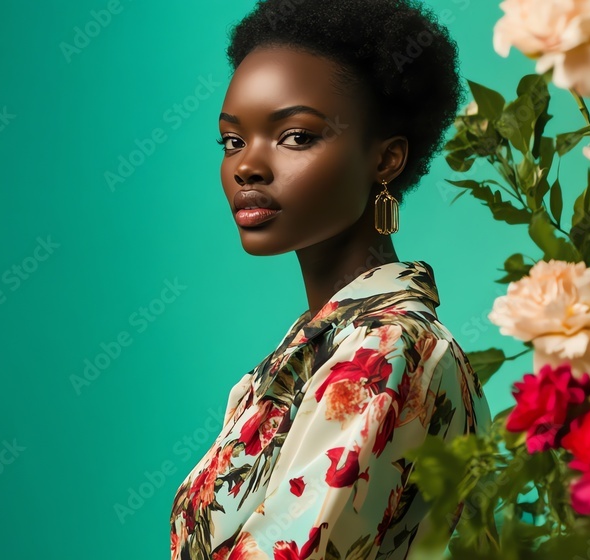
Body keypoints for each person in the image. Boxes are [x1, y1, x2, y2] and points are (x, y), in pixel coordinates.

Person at [169, 0, 492, 558]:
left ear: (386, 159)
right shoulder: (313, 349)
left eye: (295, 136)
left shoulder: (388, 349)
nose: (247, 165)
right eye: (232, 141)